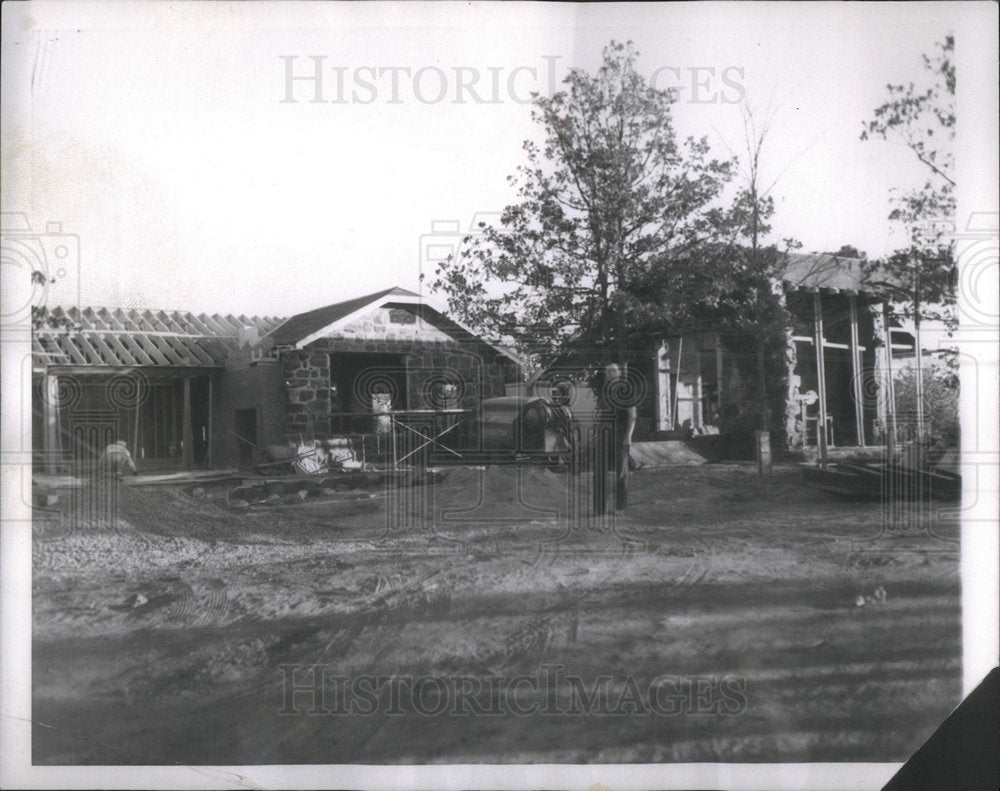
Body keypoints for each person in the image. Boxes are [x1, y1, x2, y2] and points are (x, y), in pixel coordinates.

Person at [592, 362, 636, 514]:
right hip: (604, 433)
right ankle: (599, 508)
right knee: (599, 470)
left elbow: (632, 416)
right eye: (607, 372)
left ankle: (619, 507)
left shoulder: (627, 391)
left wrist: (628, 436)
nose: (610, 374)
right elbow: (600, 413)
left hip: (620, 432)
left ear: (619, 373)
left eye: (613, 371)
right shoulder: (604, 392)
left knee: (621, 472)